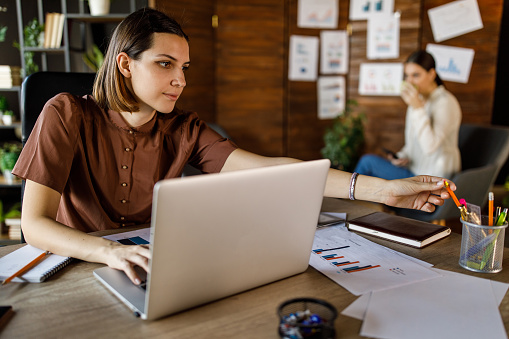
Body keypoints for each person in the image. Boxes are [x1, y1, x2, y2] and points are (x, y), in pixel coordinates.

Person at [12, 9, 456, 286]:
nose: (180, 80)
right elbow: (33, 225)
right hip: (79, 266)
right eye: (165, 65)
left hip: (150, 267)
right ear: (125, 64)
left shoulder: (183, 127)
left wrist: (383, 190)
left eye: (184, 67)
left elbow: (270, 168)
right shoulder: (66, 112)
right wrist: (110, 251)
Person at [354, 50, 462, 180]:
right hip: (413, 169)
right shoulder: (418, 100)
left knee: (368, 162)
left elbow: (430, 147)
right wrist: (401, 156)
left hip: (432, 177)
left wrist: (417, 108)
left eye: (416, 75)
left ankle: (344, 197)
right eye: (407, 76)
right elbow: (413, 143)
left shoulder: (445, 103)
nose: (410, 82)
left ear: (432, 74)